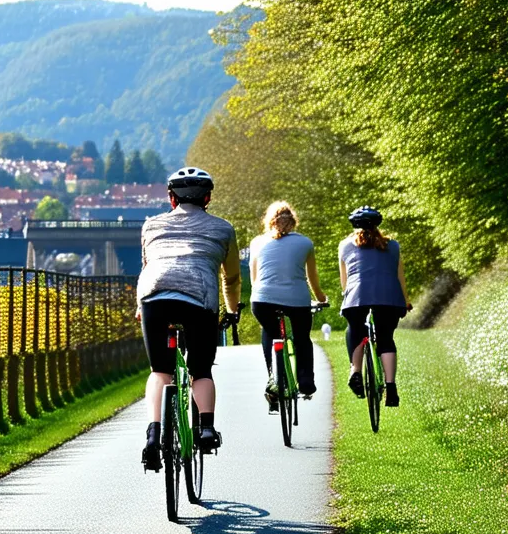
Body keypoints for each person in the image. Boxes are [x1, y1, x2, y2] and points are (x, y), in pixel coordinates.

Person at [138, 167, 241, 471]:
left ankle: (154, 435)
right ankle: (207, 429)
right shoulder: (223, 229)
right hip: (198, 299)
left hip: (154, 298)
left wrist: (139, 307)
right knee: (201, 370)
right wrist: (232, 310)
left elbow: (147, 268)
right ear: (207, 198)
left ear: (171, 198)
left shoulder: (151, 225)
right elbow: (232, 278)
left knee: (160, 371)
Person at [249, 201, 328, 411]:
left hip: (262, 299)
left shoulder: (257, 242)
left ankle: (275, 380)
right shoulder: (305, 243)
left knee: (270, 332)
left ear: (269, 222)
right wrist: (320, 297)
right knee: (302, 337)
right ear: (293, 222)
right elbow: (312, 278)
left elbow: (254, 279)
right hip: (297, 299)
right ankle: (306, 382)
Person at [339, 206, 411, 407]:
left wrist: (350, 296)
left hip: (357, 296)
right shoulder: (393, 246)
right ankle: (391, 388)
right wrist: (405, 300)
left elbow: (344, 282)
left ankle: (355, 370)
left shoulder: (345, 246)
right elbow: (400, 278)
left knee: (356, 329)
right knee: (386, 338)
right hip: (390, 297)